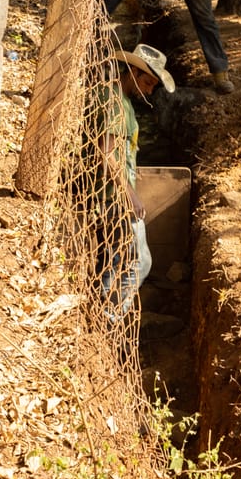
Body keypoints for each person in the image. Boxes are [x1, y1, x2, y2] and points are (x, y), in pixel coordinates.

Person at [97, 43, 175, 318]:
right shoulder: (115, 102)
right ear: (132, 72)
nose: (150, 91)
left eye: (153, 85)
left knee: (115, 259)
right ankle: (111, 319)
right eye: (147, 82)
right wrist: (130, 193)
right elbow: (106, 153)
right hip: (114, 195)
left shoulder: (122, 101)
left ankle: (101, 310)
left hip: (112, 192)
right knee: (140, 262)